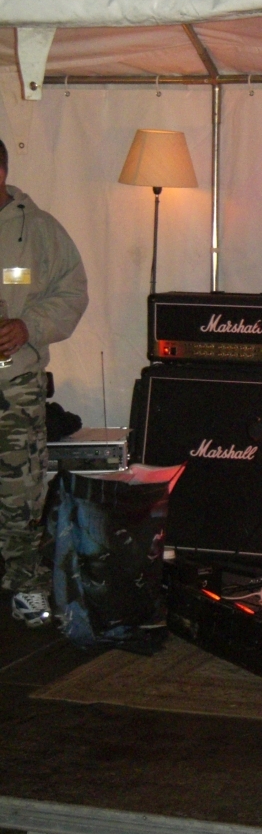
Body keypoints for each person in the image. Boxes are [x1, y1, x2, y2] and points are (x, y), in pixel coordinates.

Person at [0, 139, 88, 627]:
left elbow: (72, 293)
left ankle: (25, 585)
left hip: (14, 385)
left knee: (20, 491)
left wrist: (28, 326)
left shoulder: (39, 231)